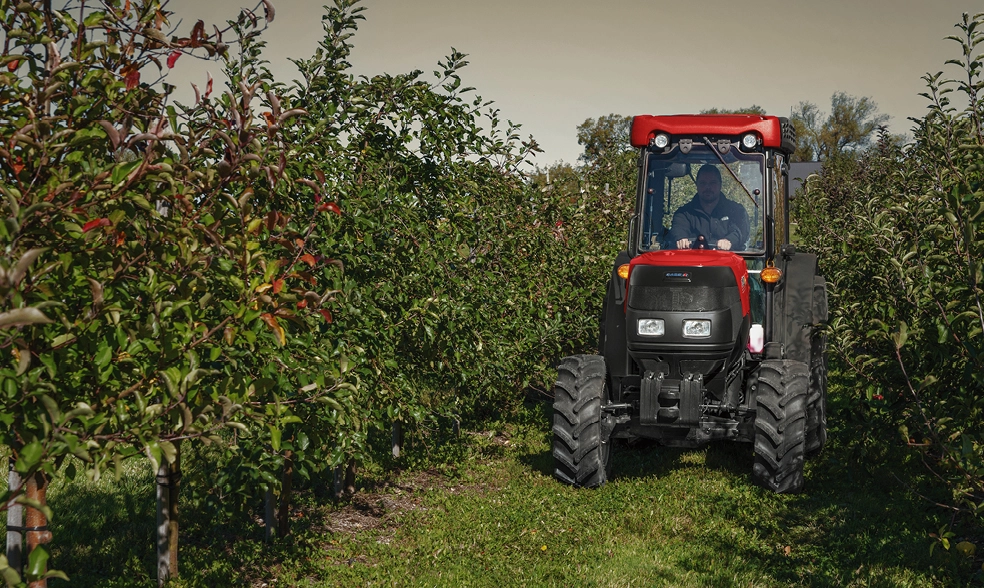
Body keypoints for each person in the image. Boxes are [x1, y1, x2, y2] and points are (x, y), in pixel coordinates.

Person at [668, 165, 749, 251]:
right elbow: (678, 229)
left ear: (720, 185)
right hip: (693, 261)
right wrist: (681, 239)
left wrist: (729, 240)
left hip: (727, 261)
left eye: (712, 183)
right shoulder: (684, 213)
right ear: (697, 185)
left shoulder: (736, 211)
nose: (708, 187)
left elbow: (740, 232)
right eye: (703, 183)